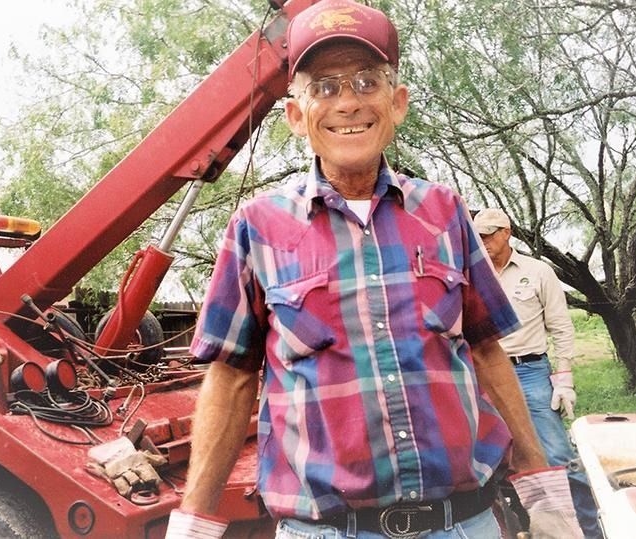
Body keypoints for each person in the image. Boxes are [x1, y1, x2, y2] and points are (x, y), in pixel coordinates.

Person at [166, 1, 582, 537]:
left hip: (463, 523)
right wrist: (194, 522)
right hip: (327, 529)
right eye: (324, 87)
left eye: (367, 81)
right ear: (296, 115)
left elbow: (484, 350)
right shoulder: (257, 226)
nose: (348, 103)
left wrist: (541, 485)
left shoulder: (445, 213)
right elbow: (232, 377)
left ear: (397, 102)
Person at [474, 207, 602, 538]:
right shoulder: (474, 275)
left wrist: (564, 379)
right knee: (491, 459)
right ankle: (521, 528)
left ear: (507, 233)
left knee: (558, 456)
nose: (483, 241)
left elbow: (561, 327)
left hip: (530, 370)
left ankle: (588, 530)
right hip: (486, 374)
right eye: (479, 235)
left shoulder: (537, 271)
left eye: (489, 234)